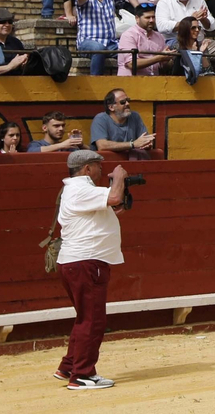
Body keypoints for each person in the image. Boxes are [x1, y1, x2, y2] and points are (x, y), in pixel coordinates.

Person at [55, 149, 128, 390]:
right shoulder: (81, 188)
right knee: (93, 320)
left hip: (79, 262)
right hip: (87, 262)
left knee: (85, 317)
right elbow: (115, 197)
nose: (102, 169)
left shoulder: (75, 189)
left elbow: (110, 207)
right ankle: (82, 375)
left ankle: (69, 366)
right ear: (87, 168)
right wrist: (118, 177)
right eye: (98, 165)